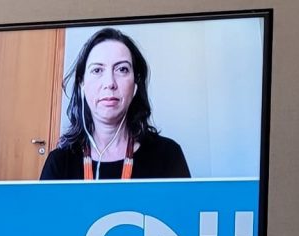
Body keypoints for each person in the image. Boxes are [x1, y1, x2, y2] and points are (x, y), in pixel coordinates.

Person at [40, 27, 191, 181]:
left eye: (122, 69)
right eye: (97, 70)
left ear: (135, 84)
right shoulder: (59, 163)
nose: (110, 83)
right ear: (82, 84)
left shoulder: (168, 155)